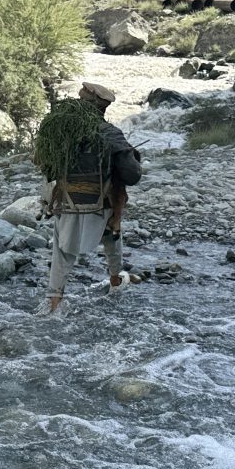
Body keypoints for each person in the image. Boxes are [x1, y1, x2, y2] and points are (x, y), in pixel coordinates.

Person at [42, 82, 142, 313]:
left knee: (61, 251)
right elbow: (132, 176)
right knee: (113, 232)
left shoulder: (60, 133)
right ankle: (115, 279)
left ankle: (55, 301)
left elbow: (47, 169)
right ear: (103, 108)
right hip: (102, 208)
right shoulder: (111, 134)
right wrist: (132, 156)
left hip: (66, 204)